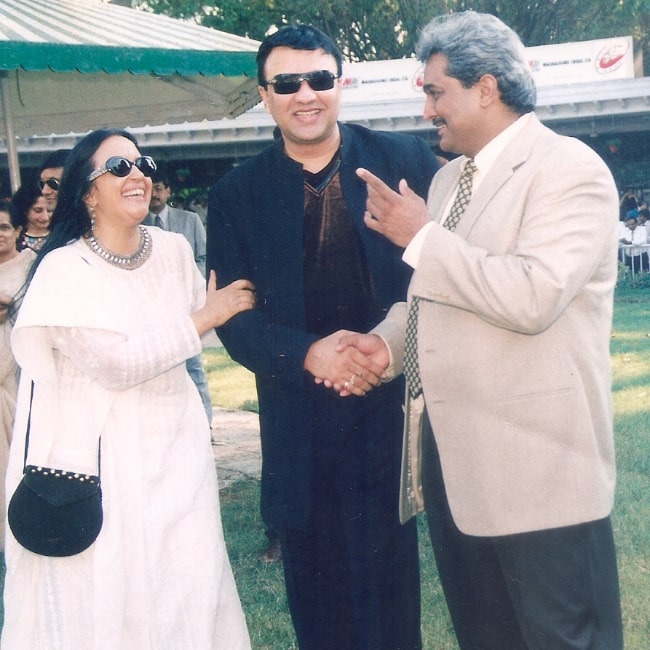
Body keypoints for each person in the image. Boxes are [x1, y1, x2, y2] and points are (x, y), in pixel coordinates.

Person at [339, 11, 623, 650]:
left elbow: (532, 296)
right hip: (456, 470)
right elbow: (438, 297)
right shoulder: (445, 182)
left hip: (542, 473)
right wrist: (383, 345)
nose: (427, 107)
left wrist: (421, 237)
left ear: (486, 88)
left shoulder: (567, 169)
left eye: (436, 91)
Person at [207, 24, 440, 650]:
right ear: (265, 95)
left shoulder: (407, 161)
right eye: (287, 83)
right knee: (320, 612)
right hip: (298, 425)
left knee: (393, 609)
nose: (305, 94)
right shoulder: (235, 195)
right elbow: (233, 317)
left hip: (390, 414)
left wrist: (379, 354)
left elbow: (444, 276)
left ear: (342, 84)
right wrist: (308, 352)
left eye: (319, 79)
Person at [2, 128, 254, 649]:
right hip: (102, 461)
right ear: (88, 193)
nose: (137, 174)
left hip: (178, 452)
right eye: (118, 167)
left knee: (188, 583)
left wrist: (208, 317)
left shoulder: (174, 249)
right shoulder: (64, 269)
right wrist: (208, 315)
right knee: (113, 594)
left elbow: (181, 344)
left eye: (142, 164)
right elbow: (116, 365)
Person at [143, 169, 213, 423]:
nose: (155, 194)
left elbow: (204, 255)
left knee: (193, 364)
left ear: (169, 192)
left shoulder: (190, 220)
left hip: (187, 303)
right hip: (154, 305)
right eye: (151, 189)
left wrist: (191, 282)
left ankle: (206, 423)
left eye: (160, 188)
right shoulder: (137, 226)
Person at [0, 199, 36, 552]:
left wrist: (8, 303)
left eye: (4, 227)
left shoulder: (30, 268)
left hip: (16, 371)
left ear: (18, 232)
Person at [11, 183, 51, 252]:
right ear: (25, 210)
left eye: (49, 210)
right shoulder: (14, 237)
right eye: (38, 210)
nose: (45, 217)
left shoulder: (60, 235)